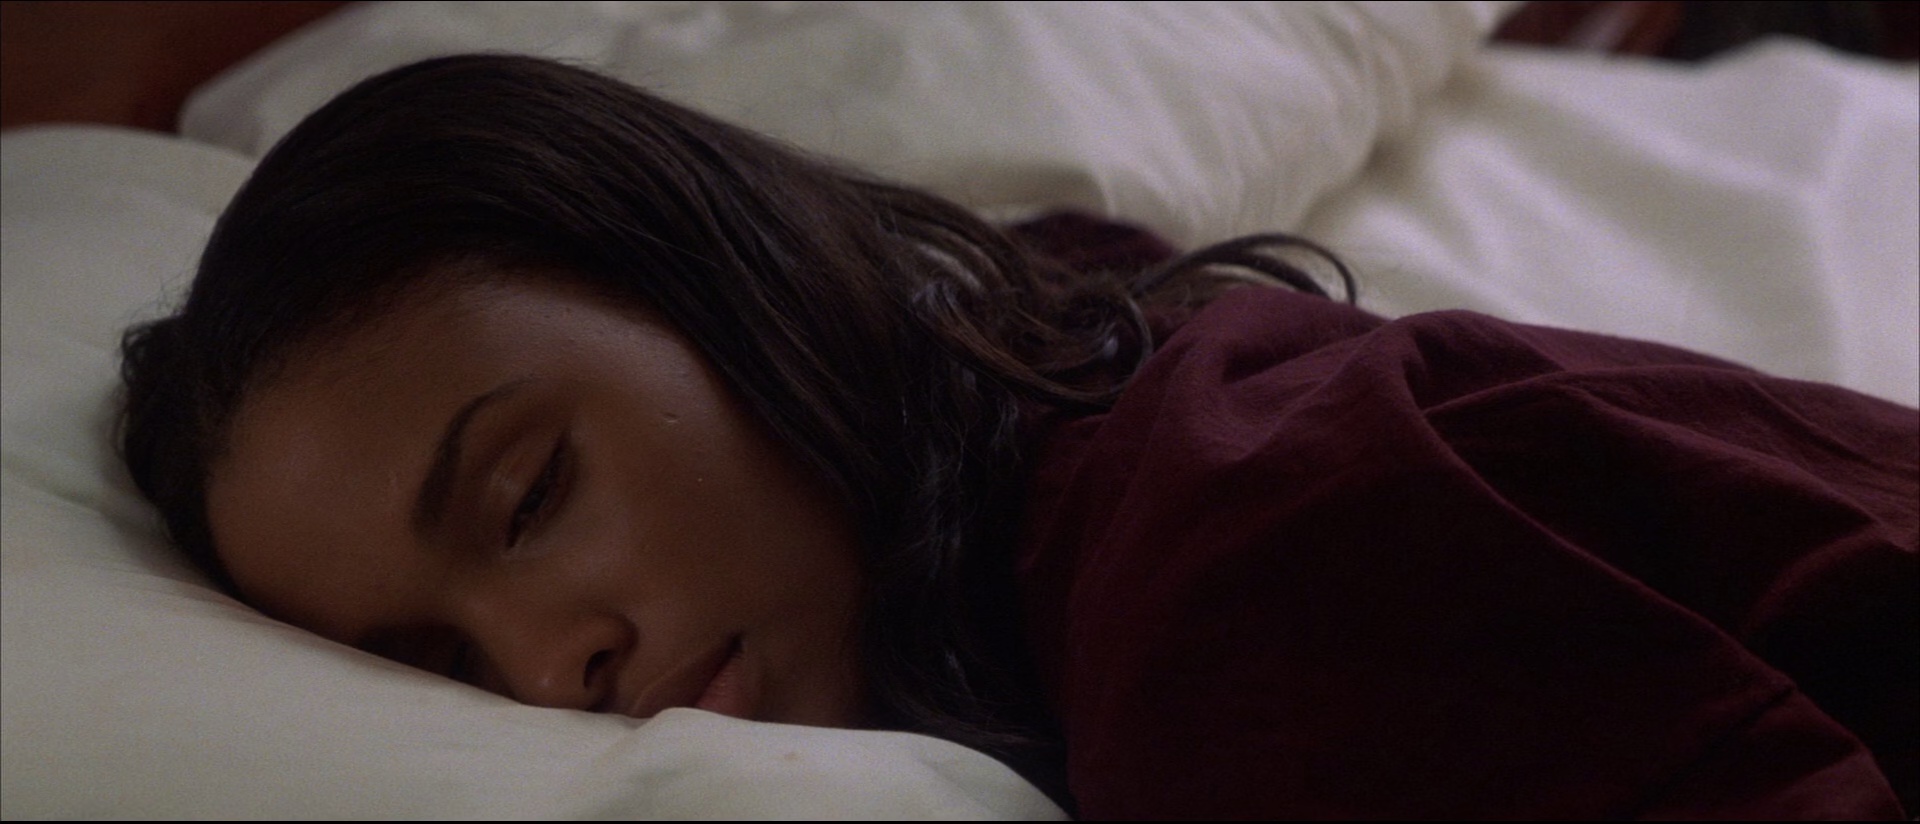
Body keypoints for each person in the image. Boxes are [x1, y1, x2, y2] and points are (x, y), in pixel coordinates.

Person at [117, 54, 1914, 819]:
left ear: (707, 279)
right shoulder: (1053, 357)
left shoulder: (1233, 598)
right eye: (438, 665)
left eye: (529, 494)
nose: (546, 666)